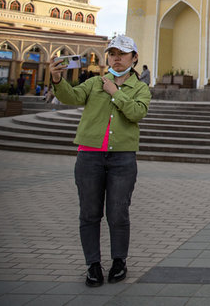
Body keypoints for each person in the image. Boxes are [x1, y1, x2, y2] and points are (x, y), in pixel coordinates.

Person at [50, 35, 150, 288]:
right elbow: (71, 97)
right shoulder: (95, 82)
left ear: (134, 58)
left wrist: (116, 93)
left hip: (122, 158)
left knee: (118, 212)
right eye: (112, 54)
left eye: (122, 54)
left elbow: (137, 113)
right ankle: (93, 265)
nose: (117, 58)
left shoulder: (140, 88)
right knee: (89, 213)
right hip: (89, 156)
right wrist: (57, 79)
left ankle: (119, 261)